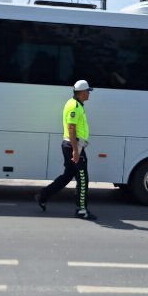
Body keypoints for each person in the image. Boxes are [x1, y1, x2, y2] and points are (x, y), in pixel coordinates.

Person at [36, 80, 96, 220]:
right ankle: (82, 210)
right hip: (74, 146)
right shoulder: (74, 106)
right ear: (81, 92)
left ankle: (42, 196)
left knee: (67, 176)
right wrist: (76, 151)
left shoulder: (76, 104)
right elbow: (71, 128)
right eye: (88, 91)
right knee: (82, 178)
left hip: (73, 145)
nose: (89, 93)